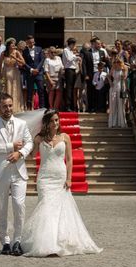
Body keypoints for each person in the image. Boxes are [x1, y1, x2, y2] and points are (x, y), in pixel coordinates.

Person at [22, 110, 102, 257]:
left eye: (57, 120)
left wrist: (69, 178)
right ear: (46, 122)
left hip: (60, 177)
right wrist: (26, 146)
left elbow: (70, 159)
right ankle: (46, 243)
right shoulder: (39, 138)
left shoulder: (65, 137)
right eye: (52, 121)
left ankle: (59, 241)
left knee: (60, 210)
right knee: (46, 206)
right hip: (45, 178)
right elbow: (33, 155)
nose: (55, 123)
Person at [0, 93, 33, 256]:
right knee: (1, 208)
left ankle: (17, 241)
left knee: (19, 205)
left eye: (10, 105)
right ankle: (5, 242)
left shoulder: (22, 124)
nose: (8, 109)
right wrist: (10, 146)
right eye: (4, 106)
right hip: (0, 172)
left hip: (18, 171)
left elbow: (30, 142)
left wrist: (20, 153)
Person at [0, 38, 25, 114]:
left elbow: (23, 62)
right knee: (5, 89)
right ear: (8, 45)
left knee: (14, 89)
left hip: (14, 73)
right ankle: (4, 107)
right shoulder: (3, 53)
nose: (14, 45)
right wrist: (0, 74)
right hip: (5, 73)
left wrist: (15, 58)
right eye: (12, 44)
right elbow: (0, 64)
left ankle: (15, 107)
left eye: (14, 44)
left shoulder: (16, 52)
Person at [22, 35, 45, 110]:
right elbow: (24, 63)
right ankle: (29, 108)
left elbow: (42, 60)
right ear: (27, 42)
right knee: (29, 91)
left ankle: (42, 107)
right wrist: (31, 70)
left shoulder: (39, 49)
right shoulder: (24, 51)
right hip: (30, 73)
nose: (32, 44)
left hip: (39, 73)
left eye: (33, 42)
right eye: (30, 42)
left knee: (41, 90)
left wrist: (37, 69)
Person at [108, 57, 128, 128]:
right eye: (115, 62)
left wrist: (123, 70)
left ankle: (121, 123)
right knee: (113, 105)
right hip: (113, 87)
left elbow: (125, 77)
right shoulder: (113, 68)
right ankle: (113, 123)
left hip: (121, 86)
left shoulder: (124, 68)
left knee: (120, 105)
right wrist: (110, 82)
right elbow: (108, 76)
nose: (116, 63)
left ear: (120, 62)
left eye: (118, 62)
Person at [62, 38, 79, 111]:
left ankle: (71, 105)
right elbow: (69, 59)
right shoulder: (66, 50)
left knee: (72, 88)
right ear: (71, 44)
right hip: (69, 70)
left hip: (73, 70)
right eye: (74, 44)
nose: (74, 46)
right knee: (69, 88)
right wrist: (76, 57)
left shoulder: (71, 51)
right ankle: (67, 106)